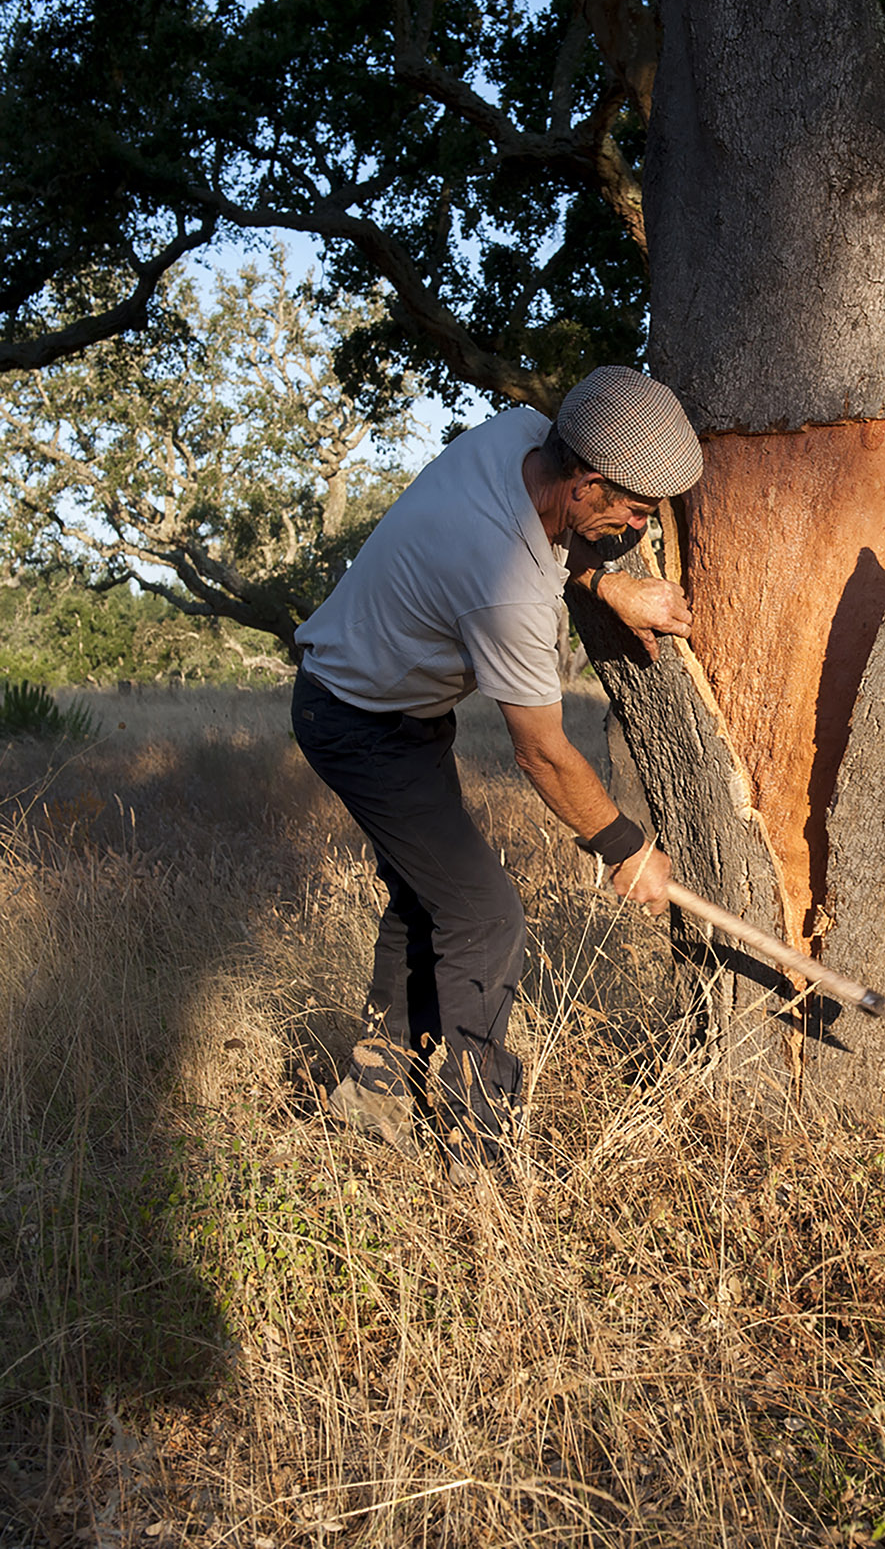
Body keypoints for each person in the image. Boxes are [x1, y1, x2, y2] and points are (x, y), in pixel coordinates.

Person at [291, 365, 700, 1181]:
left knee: (429, 896)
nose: (633, 526)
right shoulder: (505, 591)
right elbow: (541, 752)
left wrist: (607, 582)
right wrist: (623, 846)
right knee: (484, 916)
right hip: (356, 722)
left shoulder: (520, 436)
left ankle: (373, 1095)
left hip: (387, 712)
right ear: (585, 482)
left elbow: (550, 544)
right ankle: (478, 1151)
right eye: (630, 511)